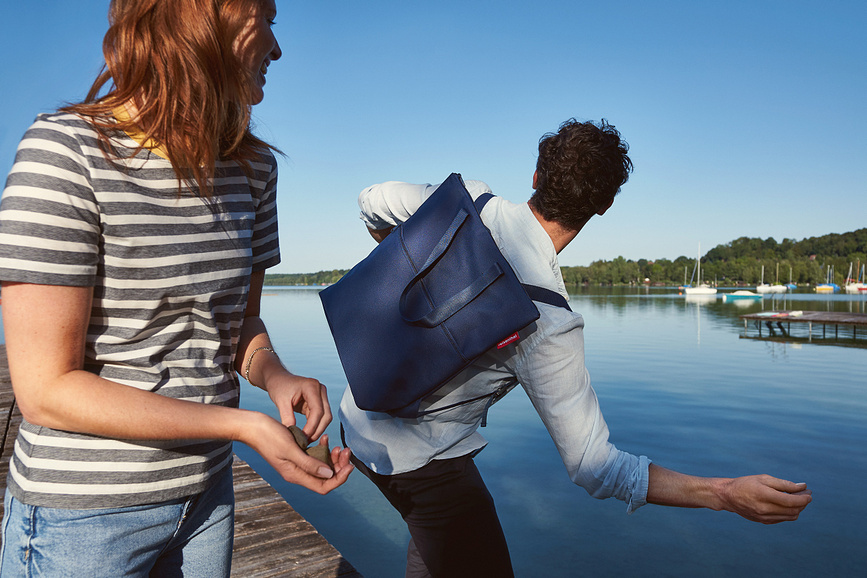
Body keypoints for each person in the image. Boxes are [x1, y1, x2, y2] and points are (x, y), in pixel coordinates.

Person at [338, 118, 812, 577]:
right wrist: (724, 493)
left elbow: (370, 200)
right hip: (418, 464)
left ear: (536, 175)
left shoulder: (466, 200)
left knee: (439, 548)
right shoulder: (548, 321)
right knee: (456, 533)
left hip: (355, 418)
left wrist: (404, 260)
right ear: (603, 206)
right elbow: (596, 467)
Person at [0, 0, 352, 575]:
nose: (277, 47)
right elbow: (45, 390)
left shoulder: (254, 169)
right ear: (206, 13)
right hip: (83, 518)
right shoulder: (64, 153)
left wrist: (276, 376)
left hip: (206, 498)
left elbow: (240, 325)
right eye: (267, 18)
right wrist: (243, 425)